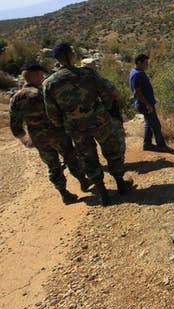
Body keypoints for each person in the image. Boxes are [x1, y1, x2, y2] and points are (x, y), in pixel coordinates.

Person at [43, 42, 134, 206]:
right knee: (112, 150)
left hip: (76, 129)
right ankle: (121, 184)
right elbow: (108, 93)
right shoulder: (88, 74)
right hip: (100, 121)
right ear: (72, 54)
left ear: (56, 59)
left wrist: (64, 125)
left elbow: (52, 113)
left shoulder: (49, 83)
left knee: (87, 158)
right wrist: (106, 110)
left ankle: (103, 194)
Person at [10, 63, 90, 204]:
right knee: (72, 158)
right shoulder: (44, 92)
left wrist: (26, 141)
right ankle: (83, 182)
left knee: (53, 166)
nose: (43, 77)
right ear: (34, 75)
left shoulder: (16, 99)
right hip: (58, 134)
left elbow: (15, 127)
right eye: (41, 74)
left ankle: (64, 194)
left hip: (39, 139)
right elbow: (59, 112)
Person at [129, 54, 172, 152]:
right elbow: (138, 92)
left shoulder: (137, 71)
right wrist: (148, 104)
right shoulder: (137, 74)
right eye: (145, 63)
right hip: (145, 105)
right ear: (139, 62)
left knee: (149, 123)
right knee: (156, 125)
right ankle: (161, 145)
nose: (147, 65)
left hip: (146, 103)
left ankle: (147, 144)